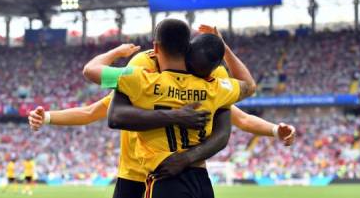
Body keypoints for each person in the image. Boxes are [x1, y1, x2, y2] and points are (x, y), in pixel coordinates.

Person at [29, 21, 295, 198]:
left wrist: (273, 129)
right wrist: (49, 117)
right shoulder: (203, 87)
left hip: (160, 175)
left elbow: (96, 102)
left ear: (157, 48)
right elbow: (244, 101)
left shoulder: (143, 82)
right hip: (140, 175)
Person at [82, 21, 254, 197]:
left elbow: (90, 70)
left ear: (156, 47)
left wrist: (116, 52)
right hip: (201, 182)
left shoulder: (142, 80)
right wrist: (223, 48)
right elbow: (249, 85)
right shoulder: (214, 87)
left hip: (164, 177)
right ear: (188, 47)